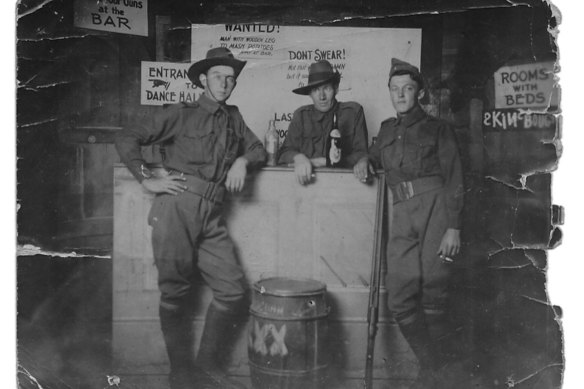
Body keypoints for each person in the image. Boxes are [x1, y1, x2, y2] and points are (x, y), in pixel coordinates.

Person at [115, 47, 267, 389]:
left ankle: (205, 369)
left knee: (232, 291)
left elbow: (258, 148)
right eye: (218, 76)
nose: (226, 83)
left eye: (231, 78)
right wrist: (147, 178)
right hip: (177, 209)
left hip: (212, 215)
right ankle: (180, 374)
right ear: (202, 79)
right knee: (175, 294)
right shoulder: (181, 113)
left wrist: (243, 161)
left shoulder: (234, 118)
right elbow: (127, 137)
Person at [355, 58, 464, 388]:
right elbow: (374, 155)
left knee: (434, 291)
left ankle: (434, 376)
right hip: (402, 211)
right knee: (400, 297)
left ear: (418, 93)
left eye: (407, 89)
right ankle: (434, 366)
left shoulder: (438, 129)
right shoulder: (387, 130)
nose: (400, 94)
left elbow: (455, 177)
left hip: (436, 210)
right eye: (394, 89)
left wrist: (453, 226)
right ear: (389, 93)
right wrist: (364, 159)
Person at [277, 60, 369, 184]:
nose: (322, 96)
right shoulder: (301, 116)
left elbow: (362, 155)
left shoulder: (353, 112)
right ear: (310, 93)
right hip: (308, 186)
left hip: (344, 187)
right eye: (315, 90)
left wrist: (324, 162)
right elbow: (283, 154)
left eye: (326, 88)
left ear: (336, 89)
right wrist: (298, 157)